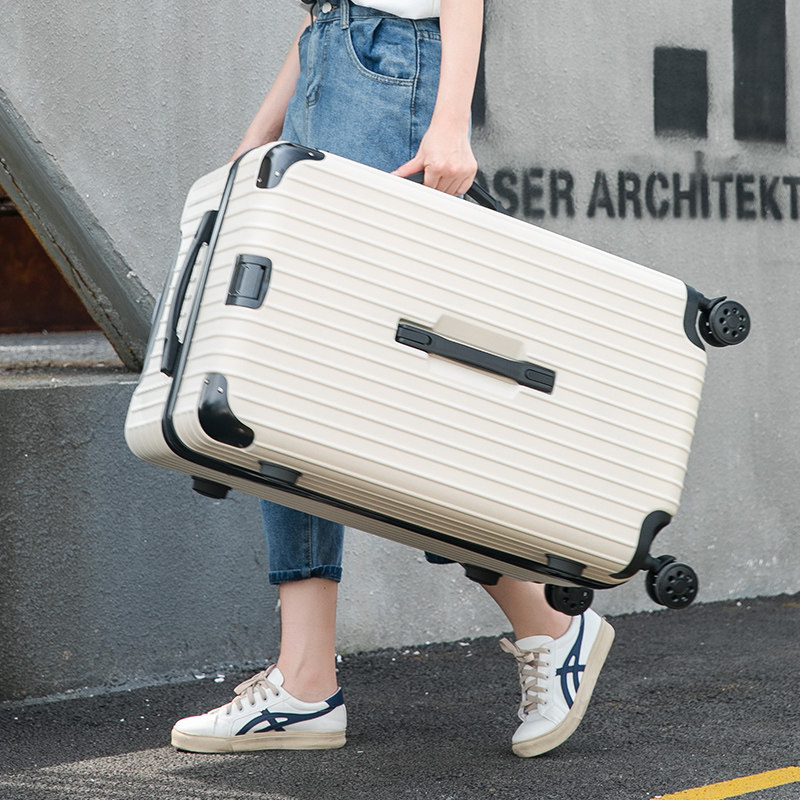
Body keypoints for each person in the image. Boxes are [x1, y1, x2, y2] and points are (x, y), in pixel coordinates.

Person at [171, 0, 615, 758]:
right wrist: (258, 136)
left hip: (393, 74)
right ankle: (306, 681)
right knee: (292, 384)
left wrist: (450, 120)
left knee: (399, 398)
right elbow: (322, 15)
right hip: (330, 66)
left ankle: (546, 618)